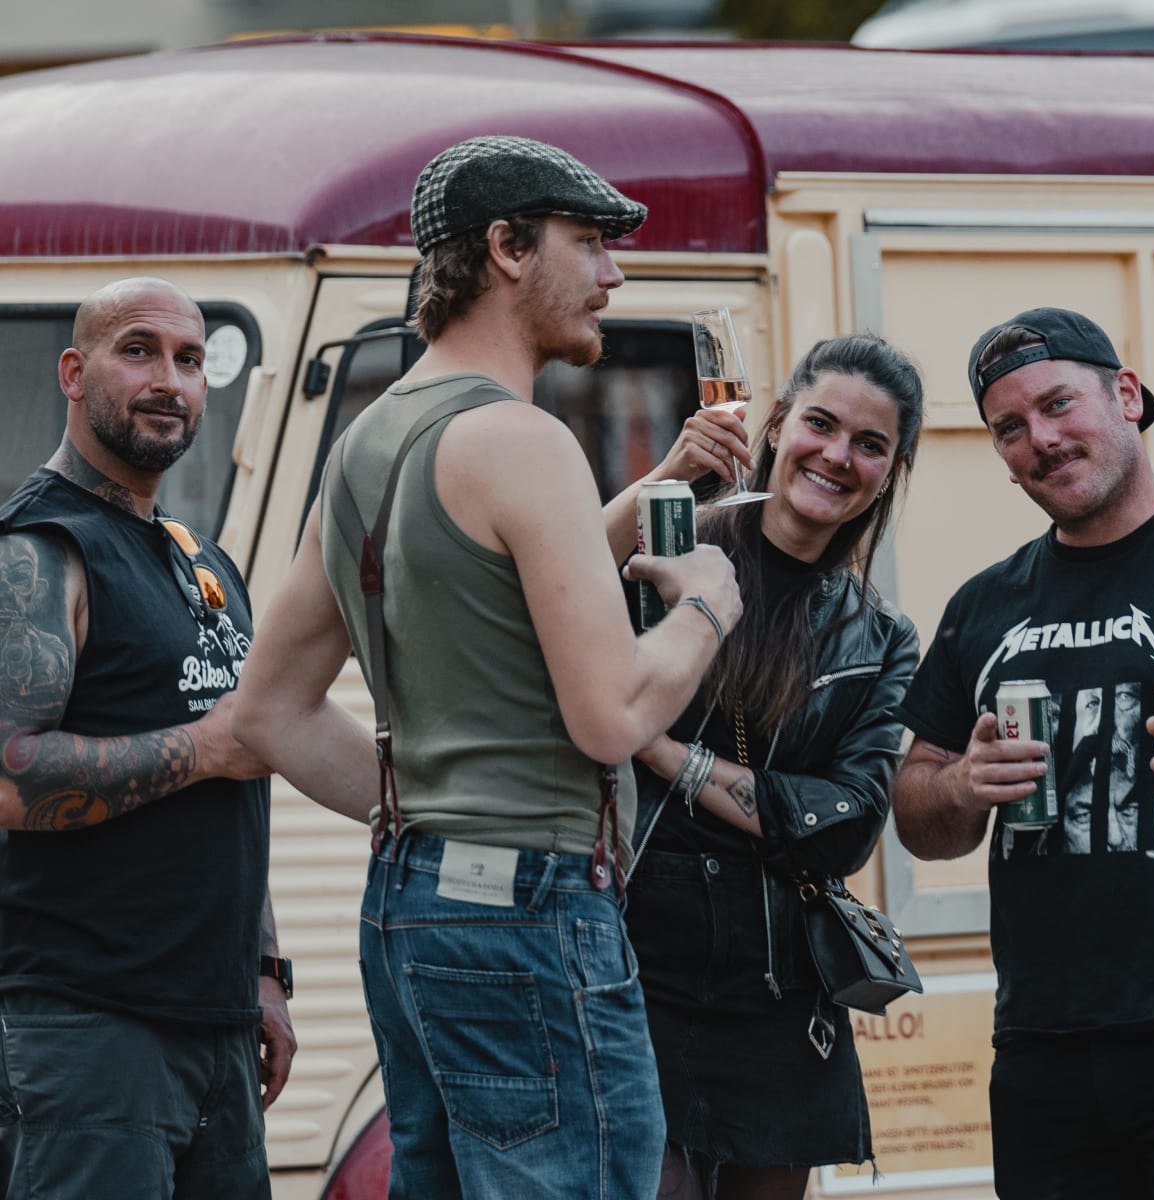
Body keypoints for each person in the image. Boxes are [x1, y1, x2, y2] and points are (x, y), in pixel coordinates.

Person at [231, 136, 742, 1199]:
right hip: (535, 909)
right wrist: (705, 605)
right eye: (591, 243)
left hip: (413, 903)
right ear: (507, 248)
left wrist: (424, 805)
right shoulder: (524, 439)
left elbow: (271, 710)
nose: (614, 274)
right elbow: (610, 717)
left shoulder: (374, 440)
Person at [891, 308, 1154, 1198]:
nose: (1042, 440)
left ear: (1128, 397)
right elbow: (920, 819)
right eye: (1010, 428)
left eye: (1059, 404)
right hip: (1039, 1044)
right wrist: (960, 783)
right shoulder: (984, 606)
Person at [601, 335, 924, 1200]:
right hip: (636, 968)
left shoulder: (879, 636)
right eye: (819, 424)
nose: (837, 456)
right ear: (776, 428)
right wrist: (665, 472)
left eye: (870, 444)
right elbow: (534, 610)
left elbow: (851, 821)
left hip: (781, 991)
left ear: (889, 472)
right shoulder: (670, 549)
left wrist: (664, 751)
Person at [0, 277, 294, 1198]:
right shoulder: (39, 549)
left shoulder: (202, 561)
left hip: (214, 1025)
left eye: (190, 359)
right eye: (139, 352)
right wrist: (205, 747)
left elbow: (242, 774)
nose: (168, 379)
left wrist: (265, 968)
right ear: (75, 373)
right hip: (86, 1031)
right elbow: (10, 780)